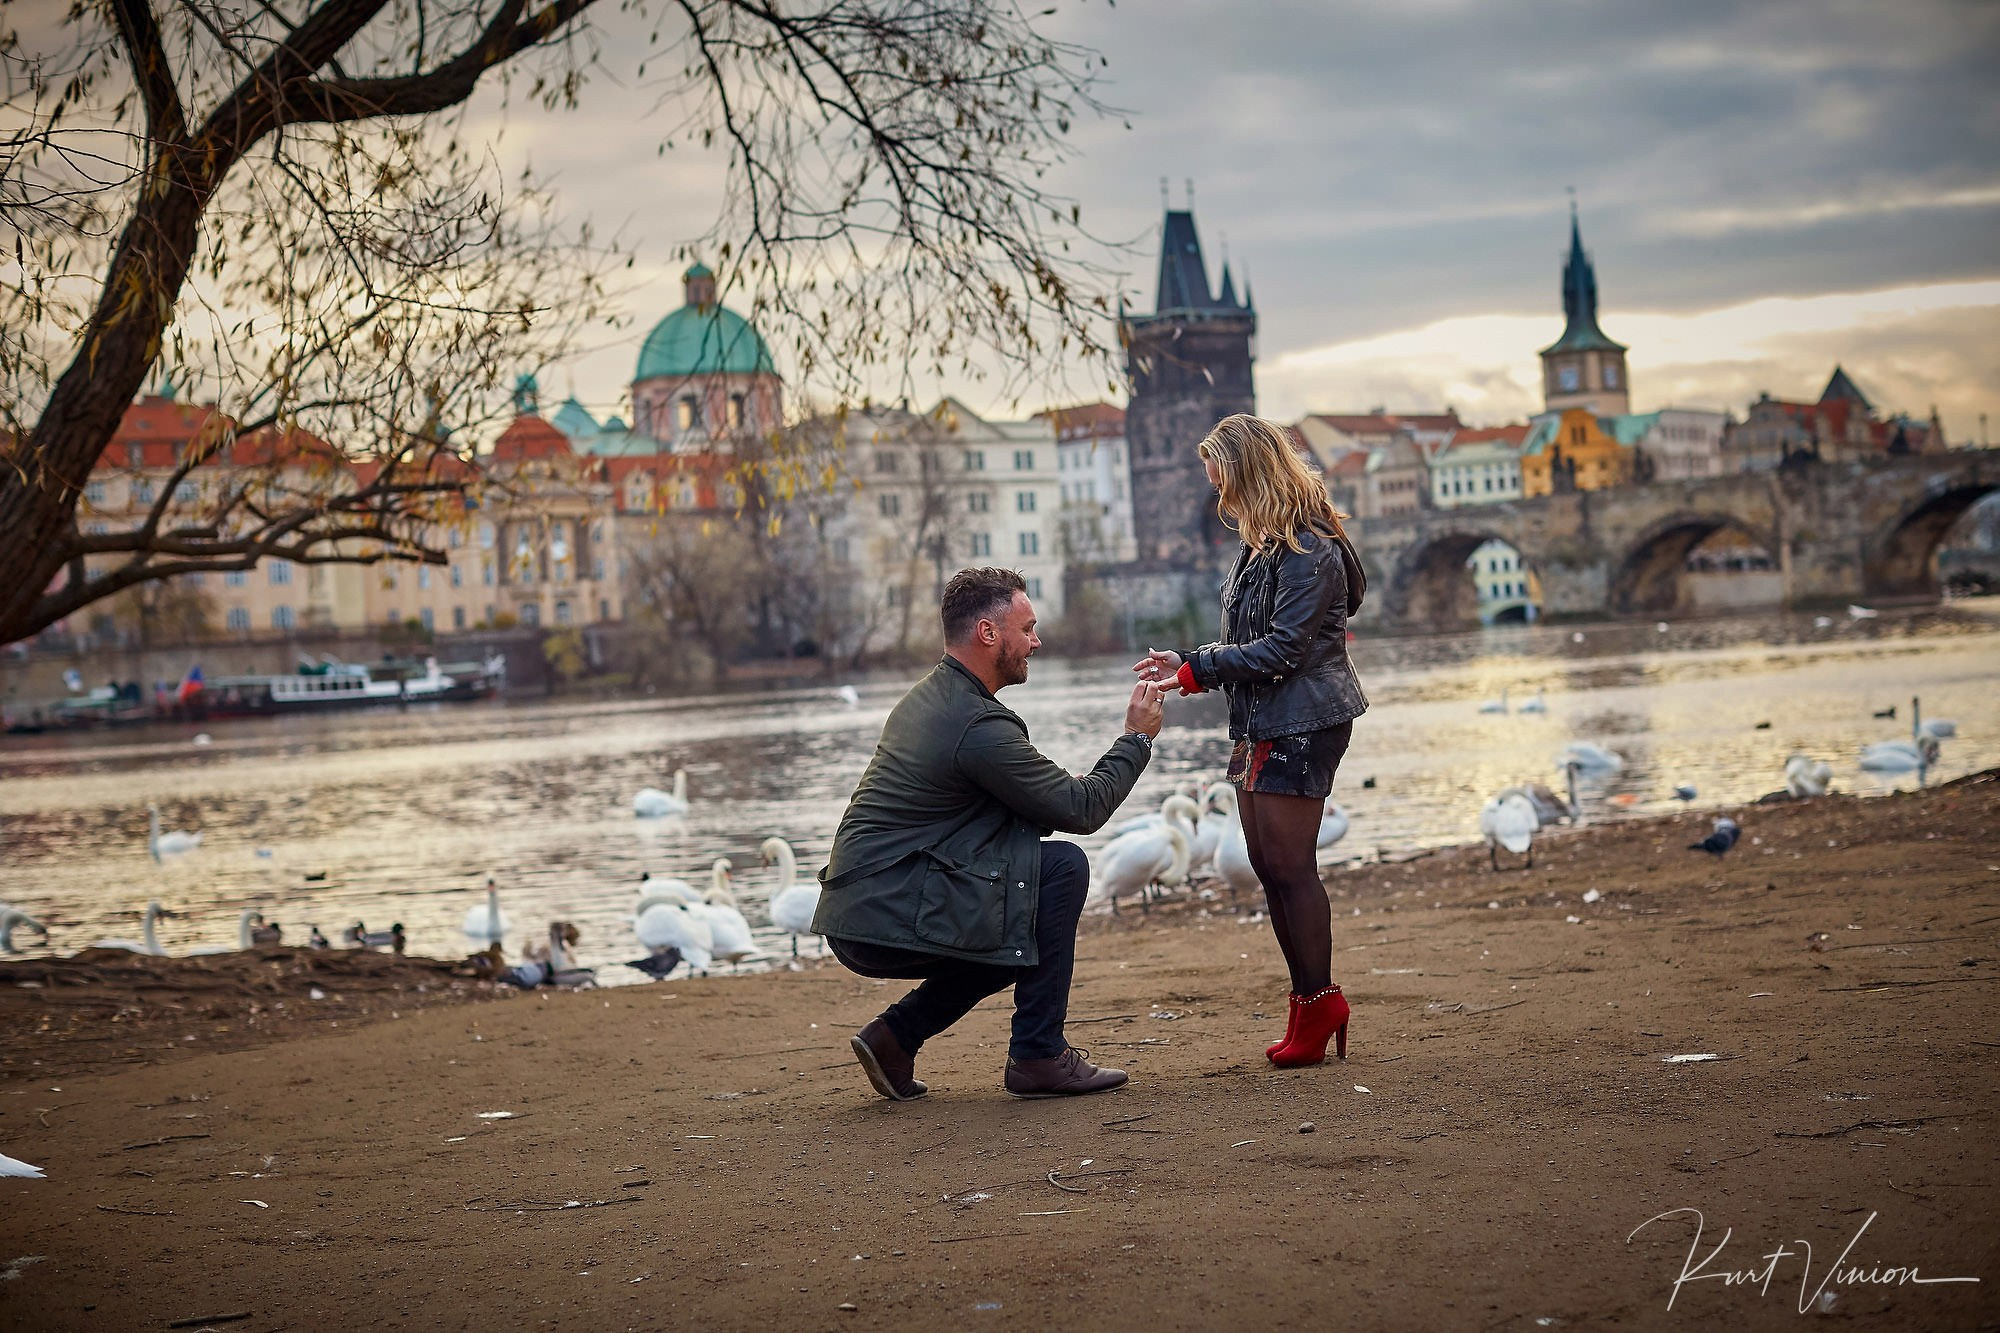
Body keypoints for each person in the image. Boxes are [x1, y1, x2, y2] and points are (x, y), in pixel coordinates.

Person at [815, 566, 1167, 1101]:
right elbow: (1084, 809)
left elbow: (972, 814)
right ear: (988, 632)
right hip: (882, 912)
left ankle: (895, 1038)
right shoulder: (977, 725)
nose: (1036, 641)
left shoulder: (934, 699)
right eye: (1026, 629)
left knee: (1019, 900)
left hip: (863, 906)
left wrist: (1042, 800)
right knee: (1057, 871)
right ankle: (1039, 1055)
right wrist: (1136, 740)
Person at [1134, 413, 1368, 1068]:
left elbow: (1287, 647)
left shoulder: (1307, 548)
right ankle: (1308, 1004)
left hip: (1304, 719)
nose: (1217, 492)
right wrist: (1186, 660)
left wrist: (1199, 668)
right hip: (1263, 717)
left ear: (1249, 471)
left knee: (1291, 868)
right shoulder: (1265, 544)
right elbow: (1251, 643)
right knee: (1268, 866)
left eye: (1220, 477)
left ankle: (1320, 1003)